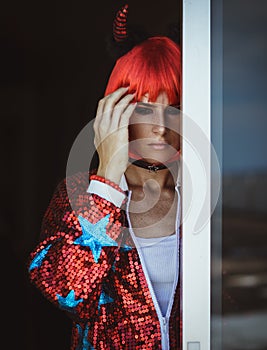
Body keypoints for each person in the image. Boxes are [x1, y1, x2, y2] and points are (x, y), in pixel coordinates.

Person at [28, 34, 182, 349]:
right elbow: (69, 293)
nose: (161, 127)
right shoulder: (79, 193)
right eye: (144, 108)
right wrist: (108, 177)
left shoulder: (197, 194)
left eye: (174, 109)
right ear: (115, 113)